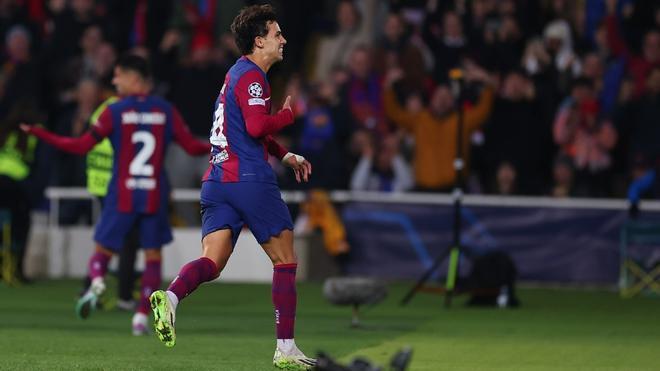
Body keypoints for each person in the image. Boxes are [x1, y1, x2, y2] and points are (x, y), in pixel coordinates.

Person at [148, 5, 315, 370]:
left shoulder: (234, 75)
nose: (283, 39)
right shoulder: (254, 78)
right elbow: (257, 128)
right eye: (276, 34)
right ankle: (285, 350)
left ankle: (171, 297)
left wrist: (285, 155)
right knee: (286, 259)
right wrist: (289, 115)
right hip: (249, 180)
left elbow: (243, 130)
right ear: (259, 41)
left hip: (218, 181)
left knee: (212, 261)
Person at [20, 54, 211, 335]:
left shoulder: (115, 111)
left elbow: (80, 145)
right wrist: (222, 141)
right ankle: (140, 318)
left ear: (135, 78)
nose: (113, 80)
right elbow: (193, 148)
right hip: (154, 194)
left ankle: (97, 280)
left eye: (118, 75)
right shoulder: (165, 111)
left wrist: (41, 134)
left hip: (122, 193)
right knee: (152, 256)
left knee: (104, 250)